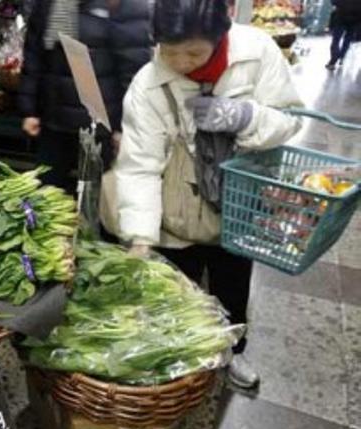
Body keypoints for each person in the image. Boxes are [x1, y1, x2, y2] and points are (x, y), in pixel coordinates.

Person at [109, 0, 303, 388]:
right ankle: (185, 365)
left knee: (232, 286)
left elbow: (290, 118)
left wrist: (246, 117)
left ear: (222, 33)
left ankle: (233, 354)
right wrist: (141, 237)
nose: (181, 61)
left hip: (238, 204)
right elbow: (139, 166)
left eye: (194, 51)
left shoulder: (258, 53)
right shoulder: (147, 85)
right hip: (177, 207)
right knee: (177, 295)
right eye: (169, 50)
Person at [18, 0, 152, 191]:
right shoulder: (51, 4)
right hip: (54, 120)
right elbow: (34, 55)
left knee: (94, 202)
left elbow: (133, 72)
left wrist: (125, 126)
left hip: (98, 126)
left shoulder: (123, 6)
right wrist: (28, 109)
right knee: (47, 196)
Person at [327, 0, 361, 69]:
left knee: (336, 40)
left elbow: (334, 2)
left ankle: (333, 60)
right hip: (355, 19)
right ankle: (341, 56)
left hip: (341, 16)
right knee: (347, 40)